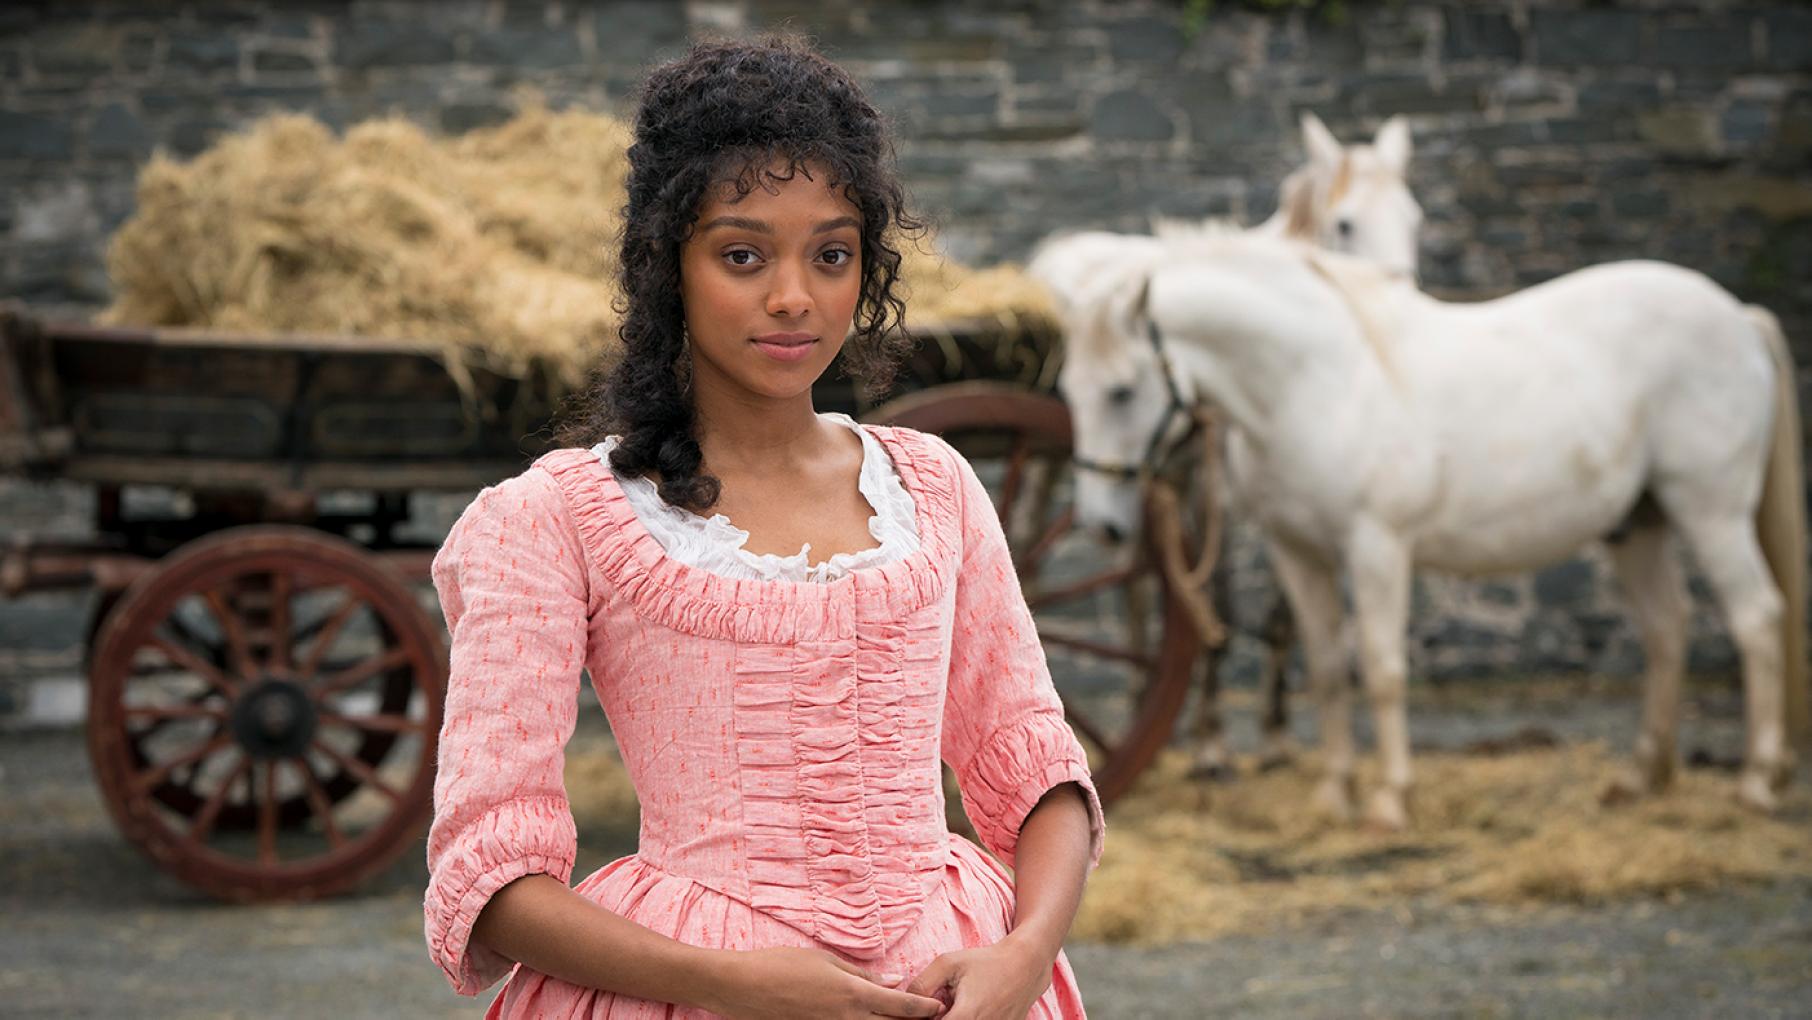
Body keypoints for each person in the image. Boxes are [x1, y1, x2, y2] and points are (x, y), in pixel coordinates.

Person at [423, 35, 1103, 1019]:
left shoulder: (935, 488)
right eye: (743, 255)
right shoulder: (553, 519)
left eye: (831, 254)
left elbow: (1036, 767)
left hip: (956, 983)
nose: (793, 297)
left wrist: (1028, 951)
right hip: (681, 992)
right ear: (668, 264)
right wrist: (732, 980)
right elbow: (489, 880)